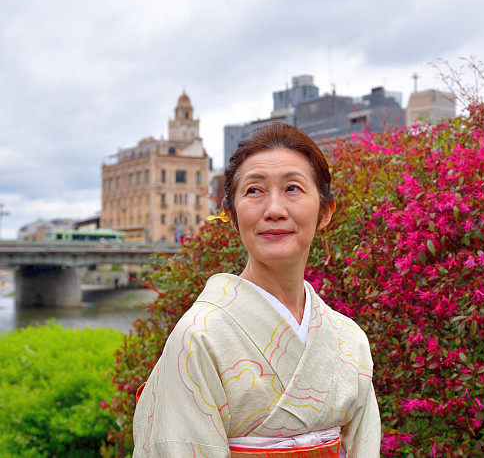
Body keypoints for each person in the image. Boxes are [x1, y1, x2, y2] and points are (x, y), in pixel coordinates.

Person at [132, 123, 380, 457]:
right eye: (254, 191)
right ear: (231, 217)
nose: (274, 210)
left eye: (293, 188)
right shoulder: (198, 338)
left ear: (325, 212)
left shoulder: (349, 339)